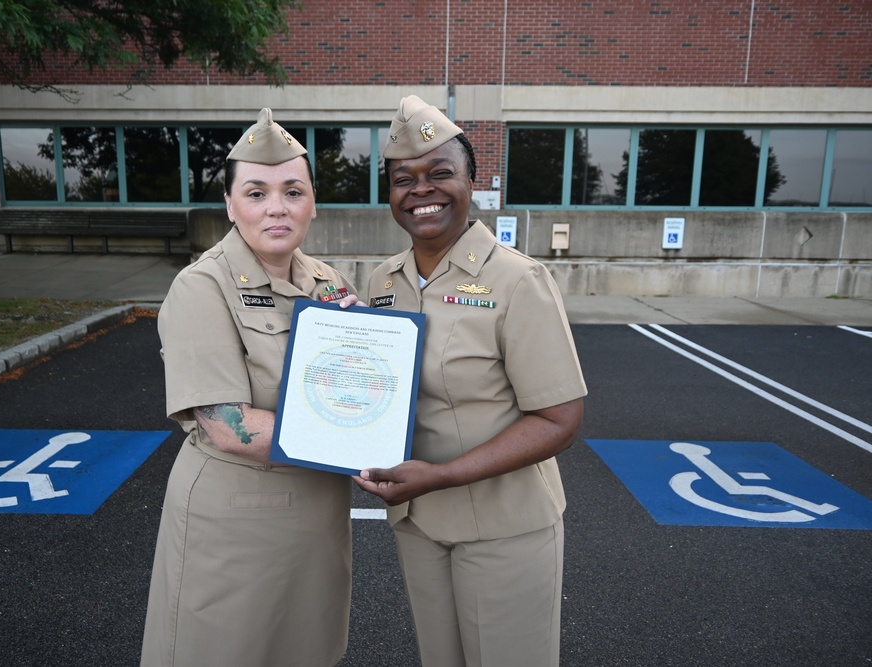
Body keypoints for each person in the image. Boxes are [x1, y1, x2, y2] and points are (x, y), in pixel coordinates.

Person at [353, 95, 588, 667]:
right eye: (403, 179)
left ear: (471, 183)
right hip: (418, 522)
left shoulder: (518, 280)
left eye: (440, 174)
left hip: (505, 526)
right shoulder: (383, 280)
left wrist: (440, 476)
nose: (421, 190)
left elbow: (560, 421)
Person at [141, 108, 359, 667]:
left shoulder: (330, 284)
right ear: (231, 204)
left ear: (313, 202)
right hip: (235, 525)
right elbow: (227, 426)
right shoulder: (202, 287)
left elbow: (353, 390)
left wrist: (363, 348)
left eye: (293, 191)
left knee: (308, 651)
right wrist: (362, 448)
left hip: (317, 518)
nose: (277, 208)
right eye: (257, 193)